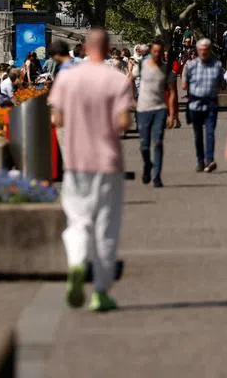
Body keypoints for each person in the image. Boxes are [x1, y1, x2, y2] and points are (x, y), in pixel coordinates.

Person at [49, 28, 133, 312]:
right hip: (107, 161)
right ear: (109, 48)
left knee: (78, 220)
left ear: (84, 48)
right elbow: (124, 122)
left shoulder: (67, 78)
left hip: (75, 162)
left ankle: (75, 262)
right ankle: (100, 291)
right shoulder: (117, 79)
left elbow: (56, 118)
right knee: (106, 227)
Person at [131, 39, 175, 188]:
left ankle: (157, 176)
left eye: (159, 52)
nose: (157, 54)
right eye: (154, 51)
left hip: (159, 110)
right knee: (144, 145)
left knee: (158, 143)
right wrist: (132, 99)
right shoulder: (142, 65)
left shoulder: (166, 68)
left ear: (163, 52)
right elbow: (130, 79)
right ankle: (147, 165)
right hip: (143, 109)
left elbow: (173, 92)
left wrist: (172, 115)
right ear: (151, 51)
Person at [184, 38, 224, 172]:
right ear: (197, 50)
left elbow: (220, 83)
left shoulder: (217, 65)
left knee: (210, 133)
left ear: (210, 50)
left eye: (206, 49)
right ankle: (200, 161)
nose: (203, 52)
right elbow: (185, 85)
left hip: (211, 104)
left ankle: (210, 160)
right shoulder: (191, 65)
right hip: (195, 105)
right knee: (198, 134)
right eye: (201, 49)